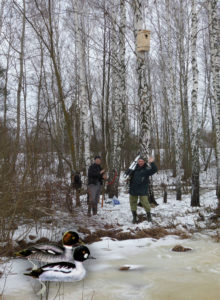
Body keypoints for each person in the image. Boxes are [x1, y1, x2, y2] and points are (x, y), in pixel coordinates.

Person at [129, 156, 157, 223]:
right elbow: (129, 175)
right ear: (137, 162)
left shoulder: (146, 169)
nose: (140, 162)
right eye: (139, 161)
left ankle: (149, 216)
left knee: (145, 202)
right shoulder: (133, 168)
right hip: (133, 188)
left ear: (144, 162)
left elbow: (154, 170)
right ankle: (134, 217)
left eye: (142, 161)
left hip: (143, 188)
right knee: (132, 202)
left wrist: (152, 162)